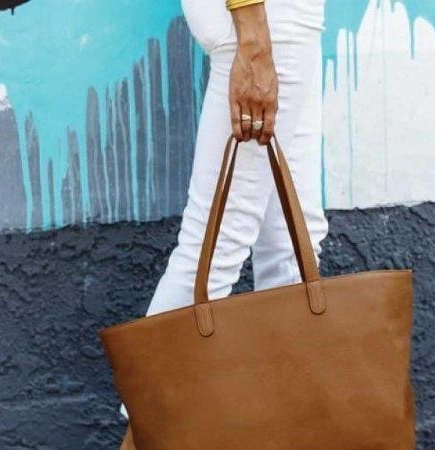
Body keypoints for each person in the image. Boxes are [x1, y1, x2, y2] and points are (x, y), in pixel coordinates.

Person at [120, 0, 327, 447]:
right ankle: (142, 434)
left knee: (293, 248)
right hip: (269, 19)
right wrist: (252, 34)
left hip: (282, 22)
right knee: (212, 252)